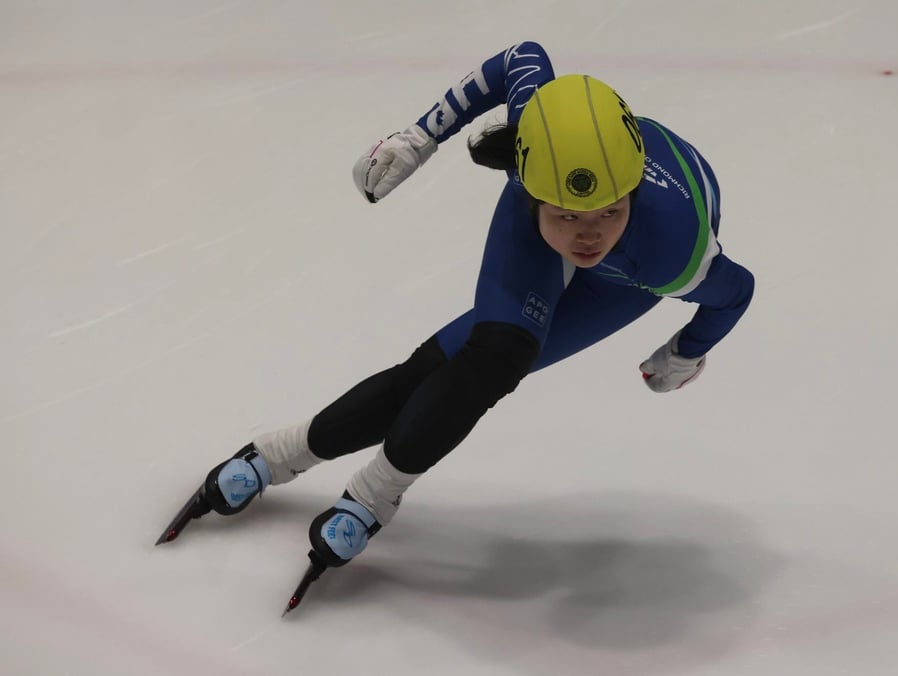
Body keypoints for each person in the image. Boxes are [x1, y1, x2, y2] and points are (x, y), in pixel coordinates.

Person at [162, 41, 754, 576]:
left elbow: (737, 291)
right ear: (527, 185)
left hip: (629, 278)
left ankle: (371, 495)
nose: (587, 238)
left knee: (493, 361)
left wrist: (685, 352)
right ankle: (281, 455)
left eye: (607, 213)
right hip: (551, 212)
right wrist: (420, 138)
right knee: (480, 358)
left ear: (631, 198)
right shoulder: (536, 150)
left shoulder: (672, 254)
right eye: (568, 217)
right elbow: (521, 57)